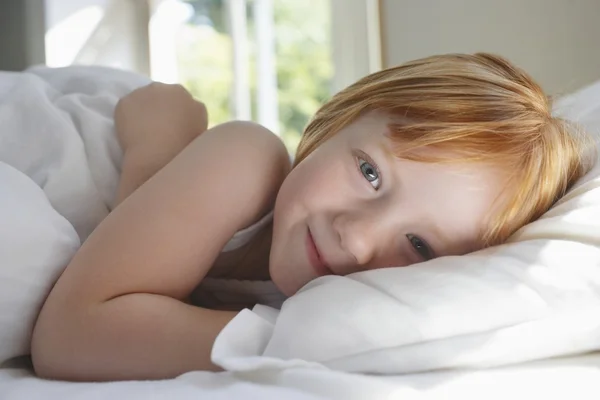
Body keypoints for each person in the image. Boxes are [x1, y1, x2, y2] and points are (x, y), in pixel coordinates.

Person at [31, 53, 594, 381]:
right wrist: (157, 154)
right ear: (339, 121)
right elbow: (72, 335)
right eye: (371, 172)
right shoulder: (246, 160)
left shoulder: (327, 301)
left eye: (420, 245)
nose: (356, 237)